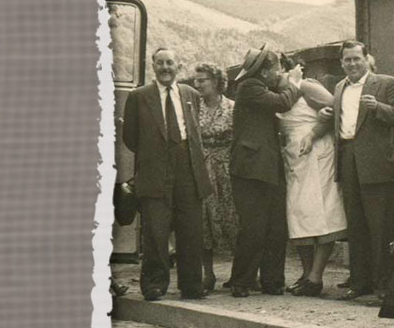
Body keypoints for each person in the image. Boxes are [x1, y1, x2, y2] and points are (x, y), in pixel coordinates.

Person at [313, 40, 394, 300]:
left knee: (380, 226)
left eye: (356, 58)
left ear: (367, 59)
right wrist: (324, 115)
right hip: (348, 158)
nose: (352, 64)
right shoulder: (340, 87)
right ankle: (360, 282)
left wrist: (379, 108)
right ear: (341, 62)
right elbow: (340, 121)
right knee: (355, 224)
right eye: (347, 60)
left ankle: (383, 284)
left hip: (376, 162)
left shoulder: (386, 82)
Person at [122, 48, 212, 300]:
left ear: (178, 66)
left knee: (191, 228)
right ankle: (154, 285)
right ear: (153, 66)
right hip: (154, 168)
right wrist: (153, 154)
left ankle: (191, 285)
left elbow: (194, 133)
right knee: (156, 230)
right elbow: (130, 137)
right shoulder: (139, 96)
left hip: (187, 166)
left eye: (170, 63)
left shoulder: (190, 94)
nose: (165, 67)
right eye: (160, 63)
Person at [227, 46, 301, 298]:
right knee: (254, 227)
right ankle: (241, 281)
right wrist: (295, 81)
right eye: (276, 69)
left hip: (266, 167)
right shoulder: (249, 87)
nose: (279, 73)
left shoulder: (255, 87)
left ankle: (272, 281)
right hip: (251, 169)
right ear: (266, 70)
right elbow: (283, 102)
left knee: (275, 228)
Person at [278, 58, 347, 297]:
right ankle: (307, 275)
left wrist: (317, 129)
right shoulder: (278, 93)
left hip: (318, 153)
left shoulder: (306, 86)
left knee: (323, 213)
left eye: (278, 67)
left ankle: (316, 276)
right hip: (294, 157)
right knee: (300, 214)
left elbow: (338, 107)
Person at [193, 62, 238, 293]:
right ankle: (207, 273)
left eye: (203, 80)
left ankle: (237, 273)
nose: (197, 84)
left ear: (217, 81)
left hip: (227, 171)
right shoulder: (192, 108)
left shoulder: (232, 107)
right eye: (196, 80)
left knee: (233, 218)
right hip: (202, 170)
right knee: (203, 221)